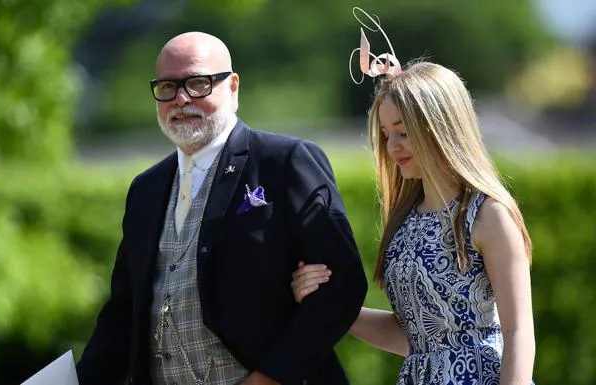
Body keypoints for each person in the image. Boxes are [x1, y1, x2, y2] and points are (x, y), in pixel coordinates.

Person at [75, 31, 368, 385]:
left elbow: (342, 286)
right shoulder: (145, 189)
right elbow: (123, 316)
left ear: (232, 87)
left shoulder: (284, 161)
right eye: (168, 87)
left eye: (198, 83)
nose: (181, 98)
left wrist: (267, 379)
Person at [290, 8, 536, 385]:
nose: (392, 147)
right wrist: (327, 302)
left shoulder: (489, 215)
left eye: (403, 132)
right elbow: (412, 337)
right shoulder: (406, 218)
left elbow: (519, 333)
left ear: (440, 128)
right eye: (387, 134)